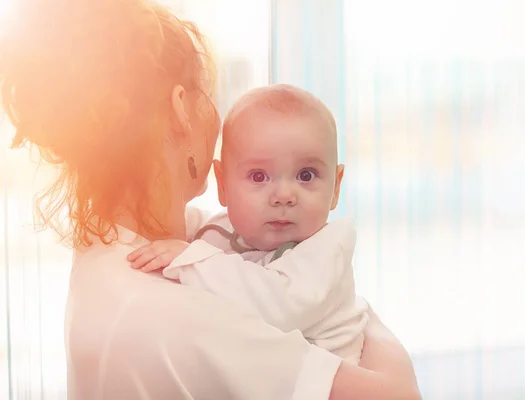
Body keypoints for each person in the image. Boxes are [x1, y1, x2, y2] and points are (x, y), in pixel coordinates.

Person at [0, 0, 421, 399]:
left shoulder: (109, 246)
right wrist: (360, 311)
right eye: (209, 95)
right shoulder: (176, 316)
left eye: (306, 174)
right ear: (182, 108)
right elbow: (400, 395)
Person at [128, 84, 369, 364]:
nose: (284, 196)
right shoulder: (230, 228)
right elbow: (204, 231)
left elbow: (279, 305)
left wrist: (191, 260)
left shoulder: (328, 249)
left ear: (336, 188)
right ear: (223, 184)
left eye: (306, 175)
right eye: (258, 176)